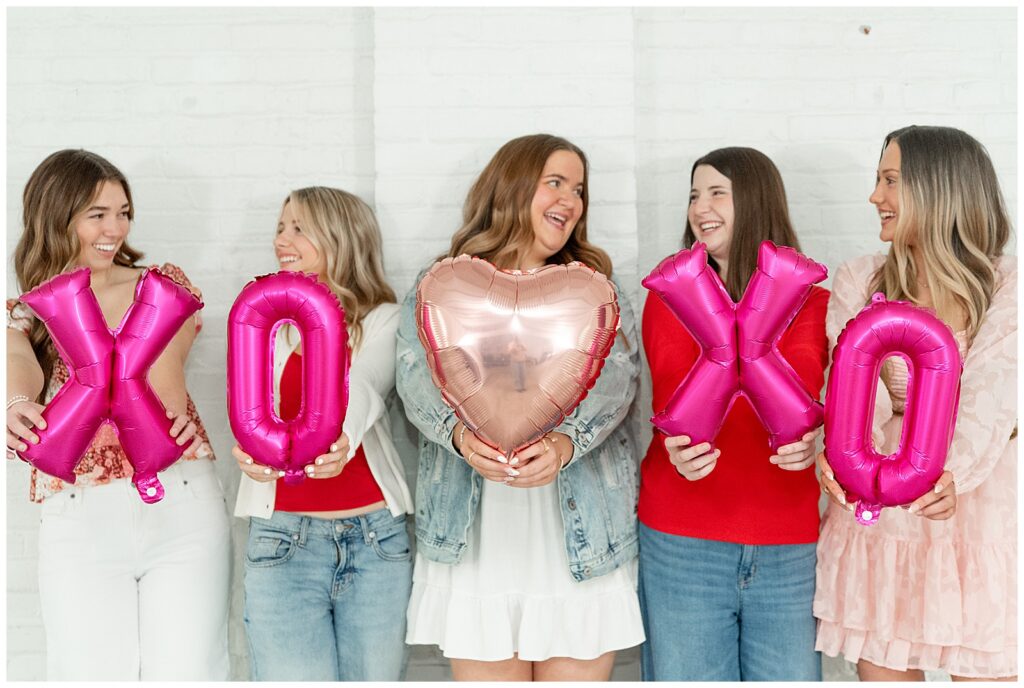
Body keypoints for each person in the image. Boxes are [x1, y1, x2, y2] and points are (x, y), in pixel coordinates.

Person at [398, 133, 644, 681]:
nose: (571, 200)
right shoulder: (444, 283)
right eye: (554, 182)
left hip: (580, 539)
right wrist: (461, 438)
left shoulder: (594, 287)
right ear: (511, 187)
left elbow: (617, 380)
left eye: (578, 189)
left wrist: (564, 443)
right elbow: (415, 379)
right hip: (476, 535)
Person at [5, 149, 230, 680]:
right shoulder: (29, 308)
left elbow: (164, 374)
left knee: (188, 672)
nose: (114, 228)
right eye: (97, 213)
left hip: (179, 500)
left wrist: (151, 398)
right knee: (87, 674)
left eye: (123, 212)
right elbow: (19, 362)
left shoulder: (162, 287)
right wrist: (17, 404)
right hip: (79, 515)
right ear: (57, 216)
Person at [815, 125, 1017, 681]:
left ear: (938, 188)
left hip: (974, 522)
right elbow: (849, 391)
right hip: (882, 529)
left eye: (889, 180)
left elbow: (995, 392)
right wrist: (839, 460)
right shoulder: (860, 279)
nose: (874, 197)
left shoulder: (1007, 284)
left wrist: (950, 471)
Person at [638, 147, 829, 681]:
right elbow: (665, 411)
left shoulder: (817, 304)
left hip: (789, 546)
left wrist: (819, 443)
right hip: (683, 542)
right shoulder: (667, 299)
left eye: (717, 191)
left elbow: (847, 413)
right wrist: (674, 449)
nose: (701, 206)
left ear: (756, 199)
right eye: (694, 194)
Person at [232, 187, 413, 681]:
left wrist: (339, 440)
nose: (281, 240)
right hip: (281, 543)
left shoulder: (383, 319)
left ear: (341, 237)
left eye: (299, 227)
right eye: (280, 226)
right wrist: (249, 453)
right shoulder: (265, 322)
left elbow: (365, 386)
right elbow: (251, 406)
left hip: (375, 543)